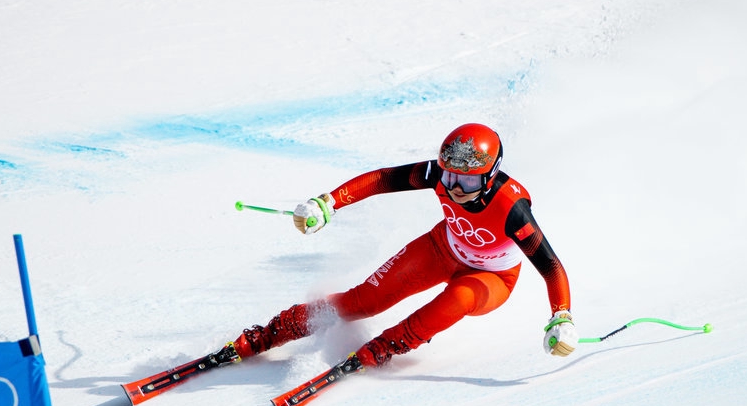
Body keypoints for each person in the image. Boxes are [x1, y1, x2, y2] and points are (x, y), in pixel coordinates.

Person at [215, 122, 577, 374]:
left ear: (491, 175)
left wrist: (561, 317)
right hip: (442, 248)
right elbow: (382, 179)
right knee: (362, 302)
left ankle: (385, 347)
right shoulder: (438, 175)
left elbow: (551, 267)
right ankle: (271, 333)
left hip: (493, 277)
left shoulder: (512, 209)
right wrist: (329, 203)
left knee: (459, 298)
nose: (454, 188)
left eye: (466, 180)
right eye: (449, 175)